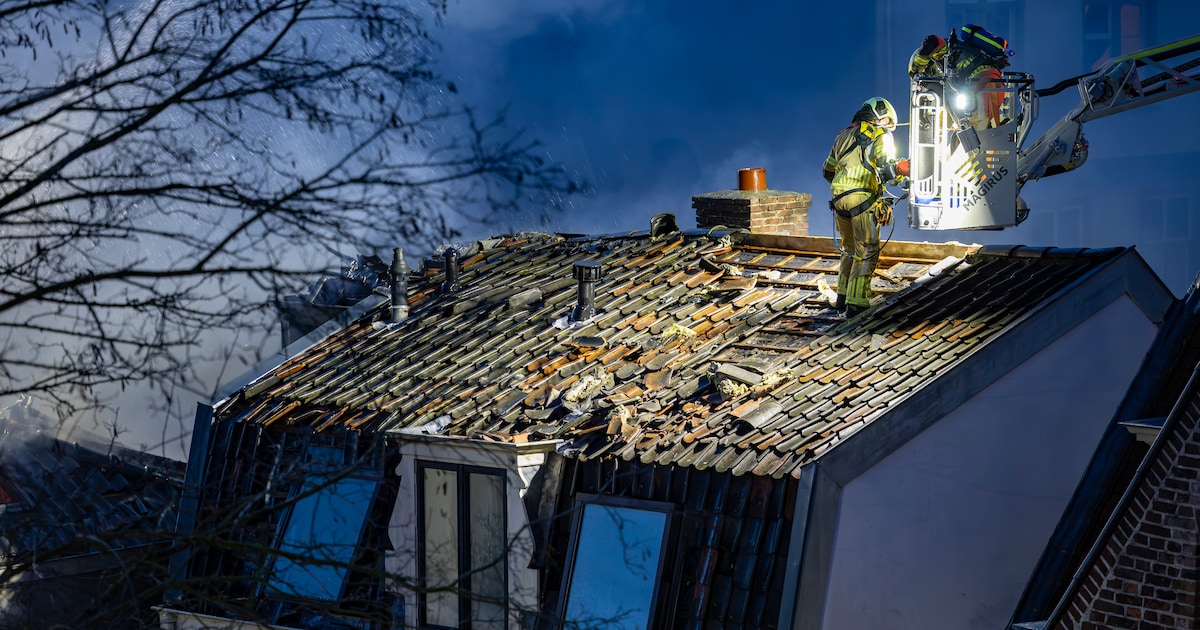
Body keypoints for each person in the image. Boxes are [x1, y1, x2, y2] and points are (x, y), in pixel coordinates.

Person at [822, 97, 908, 317]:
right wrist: (903, 173)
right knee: (867, 250)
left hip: (838, 200)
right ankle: (857, 305)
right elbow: (885, 165)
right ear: (879, 116)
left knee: (849, 249)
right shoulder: (881, 135)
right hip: (861, 199)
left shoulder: (842, 135)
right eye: (886, 121)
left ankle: (842, 297)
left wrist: (846, 183)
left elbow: (827, 171)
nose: (887, 125)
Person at [950, 24, 1013, 131]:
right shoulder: (976, 56)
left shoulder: (961, 54)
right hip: (993, 83)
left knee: (975, 127)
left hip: (981, 88)